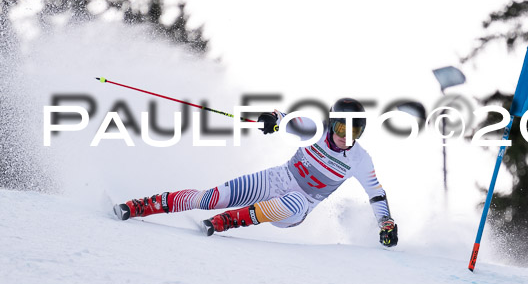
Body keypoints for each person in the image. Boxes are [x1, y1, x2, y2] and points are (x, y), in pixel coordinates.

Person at [113, 98, 399, 247]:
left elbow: (376, 194)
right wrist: (272, 120)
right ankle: (142, 206)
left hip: (297, 208)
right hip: (278, 179)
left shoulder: (360, 159)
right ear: (331, 123)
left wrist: (385, 223)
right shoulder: (314, 129)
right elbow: (284, 119)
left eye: (355, 131)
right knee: (210, 197)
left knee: (295, 202)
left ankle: (228, 221)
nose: (345, 137)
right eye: (341, 128)